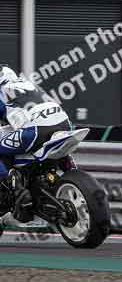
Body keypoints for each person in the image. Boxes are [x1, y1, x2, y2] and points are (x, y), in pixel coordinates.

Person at [0, 66, 71, 221]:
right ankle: (69, 171)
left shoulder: (2, 92)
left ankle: (16, 187)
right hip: (64, 122)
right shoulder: (28, 84)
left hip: (35, 130)